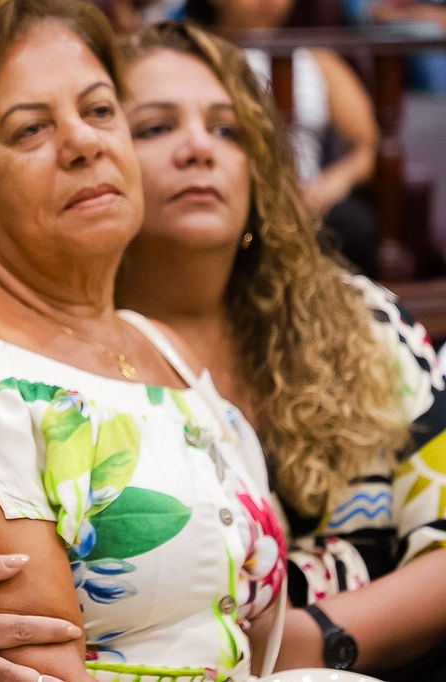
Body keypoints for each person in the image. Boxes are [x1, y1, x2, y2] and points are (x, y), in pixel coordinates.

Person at [0, 0, 286, 679]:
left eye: (100, 111)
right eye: (31, 129)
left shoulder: (155, 344)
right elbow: (37, 665)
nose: (84, 143)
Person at [116, 21, 446, 678]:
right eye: (155, 127)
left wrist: (314, 643)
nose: (199, 148)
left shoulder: (362, 318)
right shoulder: (62, 362)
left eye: (227, 129)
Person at [180, 0, 382, 278]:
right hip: (227, 198)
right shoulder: (189, 58)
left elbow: (369, 146)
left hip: (309, 203)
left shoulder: (318, 60)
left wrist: (328, 187)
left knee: (354, 225)